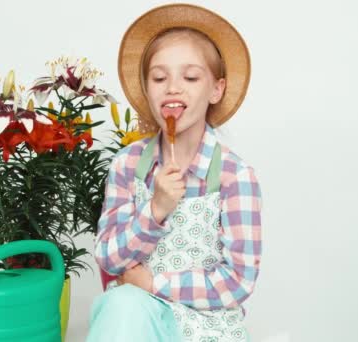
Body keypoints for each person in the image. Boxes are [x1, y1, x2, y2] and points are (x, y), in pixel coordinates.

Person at [87, 4, 262, 341]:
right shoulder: (128, 165)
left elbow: (238, 281)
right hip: (136, 320)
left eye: (191, 77)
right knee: (124, 302)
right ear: (147, 89)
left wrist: (155, 284)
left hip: (208, 328)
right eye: (159, 77)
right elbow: (109, 258)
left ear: (216, 89)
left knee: (129, 298)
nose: (173, 87)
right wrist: (155, 211)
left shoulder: (234, 177)